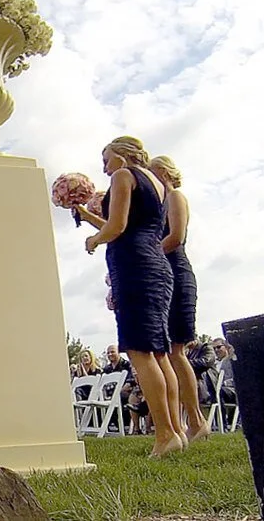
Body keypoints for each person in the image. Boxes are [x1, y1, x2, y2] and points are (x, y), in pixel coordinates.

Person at [77, 136, 182, 457]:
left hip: (135, 267)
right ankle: (176, 431)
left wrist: (94, 240)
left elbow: (117, 227)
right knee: (160, 354)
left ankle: (164, 434)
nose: (104, 166)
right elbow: (131, 224)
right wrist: (87, 214)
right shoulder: (156, 184)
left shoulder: (123, 176)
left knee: (139, 352)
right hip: (156, 266)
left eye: (106, 158)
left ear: (122, 155)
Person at [148, 155, 210, 442]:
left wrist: (145, 258)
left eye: (151, 172)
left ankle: (197, 421)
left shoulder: (175, 197)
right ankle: (181, 424)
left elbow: (175, 237)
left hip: (177, 272)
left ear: (162, 171)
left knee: (177, 350)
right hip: (161, 274)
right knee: (167, 351)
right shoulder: (155, 205)